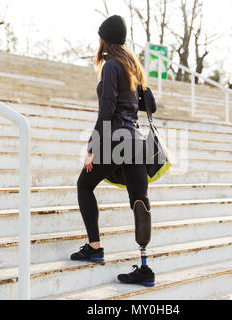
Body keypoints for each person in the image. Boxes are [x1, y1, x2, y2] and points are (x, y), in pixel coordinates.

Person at [70, 15, 155, 287]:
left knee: (84, 185)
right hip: (137, 141)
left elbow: (106, 111)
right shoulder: (132, 67)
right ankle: (144, 268)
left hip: (117, 140)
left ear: (104, 39)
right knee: (139, 201)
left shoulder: (110, 66)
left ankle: (94, 248)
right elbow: (147, 105)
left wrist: (92, 148)